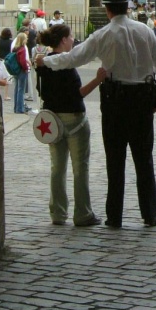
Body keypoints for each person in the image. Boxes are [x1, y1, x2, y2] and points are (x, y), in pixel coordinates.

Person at [35, 0, 156, 229]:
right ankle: (150, 214)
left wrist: (46, 62)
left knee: (115, 160)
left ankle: (115, 216)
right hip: (141, 98)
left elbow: (73, 57)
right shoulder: (144, 31)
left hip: (115, 101)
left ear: (108, 9)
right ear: (127, 7)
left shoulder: (103, 35)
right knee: (144, 160)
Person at [36, 24, 104, 227]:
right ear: (64, 40)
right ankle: (82, 213)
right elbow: (78, 93)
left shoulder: (43, 63)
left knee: (57, 167)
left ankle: (57, 212)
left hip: (52, 120)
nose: (73, 39)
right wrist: (98, 79)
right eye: (71, 36)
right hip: (73, 117)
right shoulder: (64, 64)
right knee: (79, 167)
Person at [11, 31, 31, 114]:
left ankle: (16, 107)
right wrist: (26, 68)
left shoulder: (15, 48)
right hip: (21, 70)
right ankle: (20, 109)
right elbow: (22, 61)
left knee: (16, 89)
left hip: (16, 70)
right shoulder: (22, 49)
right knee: (21, 90)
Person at [0, 28, 13, 101]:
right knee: (7, 76)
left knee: (1, 76)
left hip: (0, 59)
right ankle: (6, 95)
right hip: (7, 60)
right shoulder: (11, 42)